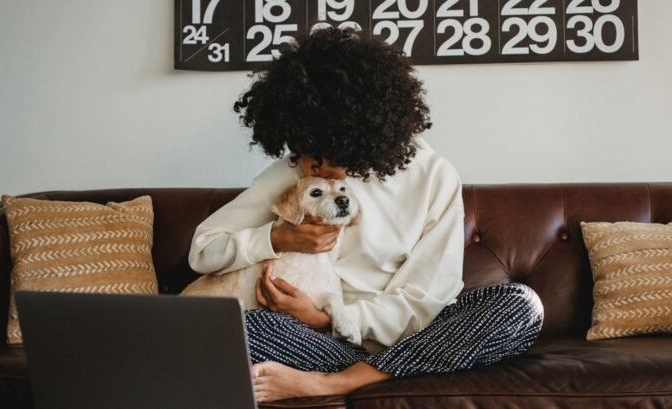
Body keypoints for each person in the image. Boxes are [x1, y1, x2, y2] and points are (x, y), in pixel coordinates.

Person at [188, 26, 544, 403]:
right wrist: (276, 239)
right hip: (313, 345)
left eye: (321, 152)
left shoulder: (433, 178)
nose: (309, 163)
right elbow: (203, 246)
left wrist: (329, 318)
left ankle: (339, 383)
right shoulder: (297, 169)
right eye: (302, 148)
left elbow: (426, 300)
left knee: (521, 305)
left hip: (405, 343)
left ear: (357, 139)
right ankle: (357, 373)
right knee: (235, 330)